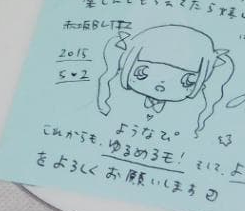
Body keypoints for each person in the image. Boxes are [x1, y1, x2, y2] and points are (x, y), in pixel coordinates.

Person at [97, 25, 234, 131]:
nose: (160, 85)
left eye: (187, 80)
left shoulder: (191, 113)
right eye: (142, 72)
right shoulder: (116, 101)